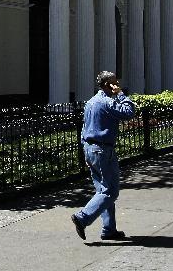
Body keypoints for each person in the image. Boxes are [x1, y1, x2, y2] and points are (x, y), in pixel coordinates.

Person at [71, 71, 135, 241]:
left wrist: (85, 150)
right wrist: (120, 94)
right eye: (115, 82)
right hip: (103, 150)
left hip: (91, 149)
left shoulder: (90, 102)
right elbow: (129, 111)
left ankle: (109, 230)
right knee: (110, 192)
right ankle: (82, 217)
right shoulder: (107, 102)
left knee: (103, 191)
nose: (117, 84)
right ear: (108, 85)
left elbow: (84, 128)